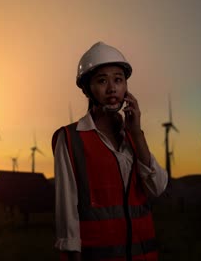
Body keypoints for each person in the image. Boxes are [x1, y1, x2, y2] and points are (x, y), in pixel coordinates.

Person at [52, 41, 168, 261]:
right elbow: (67, 213)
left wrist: (137, 133)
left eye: (118, 79)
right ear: (87, 89)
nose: (112, 88)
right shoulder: (69, 139)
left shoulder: (133, 136)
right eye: (102, 80)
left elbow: (158, 187)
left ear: (126, 86)